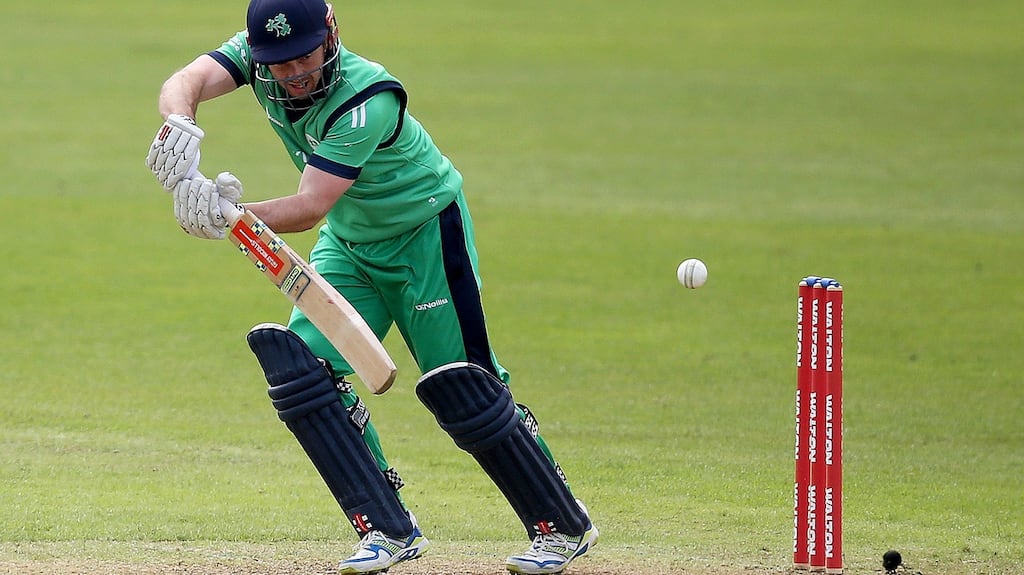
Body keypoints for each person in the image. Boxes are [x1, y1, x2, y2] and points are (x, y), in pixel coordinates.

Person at [144, 0, 598, 573]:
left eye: (304, 58)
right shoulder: (264, 58)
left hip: (425, 237)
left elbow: (309, 206)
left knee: (465, 385)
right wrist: (179, 121)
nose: (294, 74)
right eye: (279, 64)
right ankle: (387, 528)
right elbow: (185, 80)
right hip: (351, 241)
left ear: (330, 33)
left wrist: (225, 214)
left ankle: (560, 523)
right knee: (303, 374)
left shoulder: (367, 98)